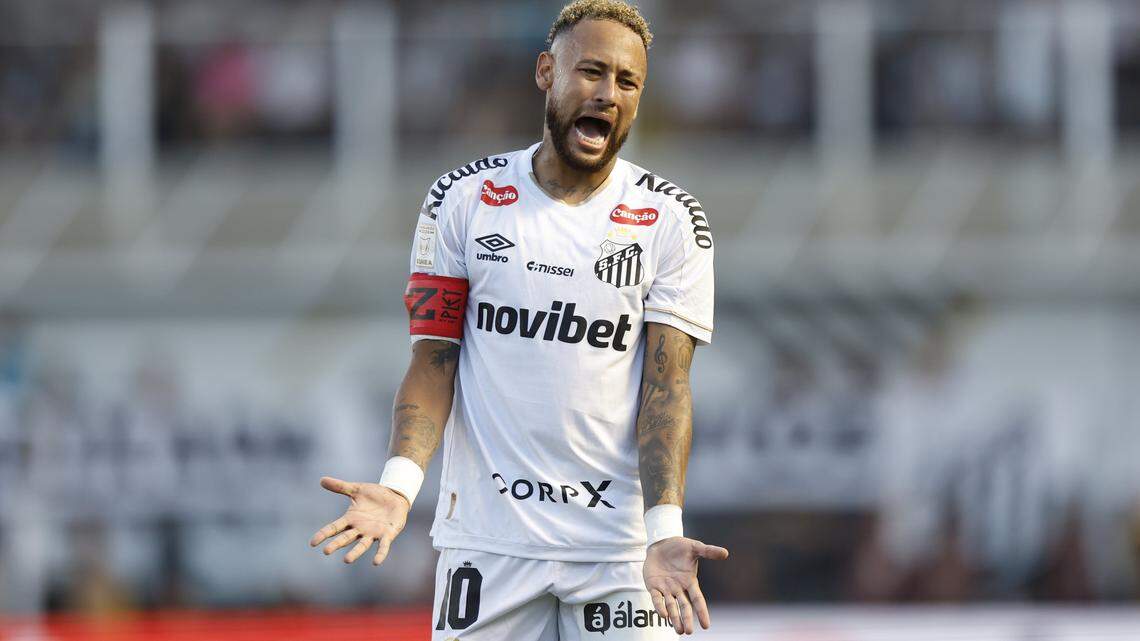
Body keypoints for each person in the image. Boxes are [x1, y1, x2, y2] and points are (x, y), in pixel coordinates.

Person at [310, 1, 728, 637]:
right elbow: (433, 359)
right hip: (487, 543)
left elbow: (666, 390)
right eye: (590, 71)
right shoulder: (464, 199)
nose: (607, 94)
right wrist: (399, 487)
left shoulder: (672, 220)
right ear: (545, 72)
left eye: (627, 81)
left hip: (618, 552)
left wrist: (665, 531)